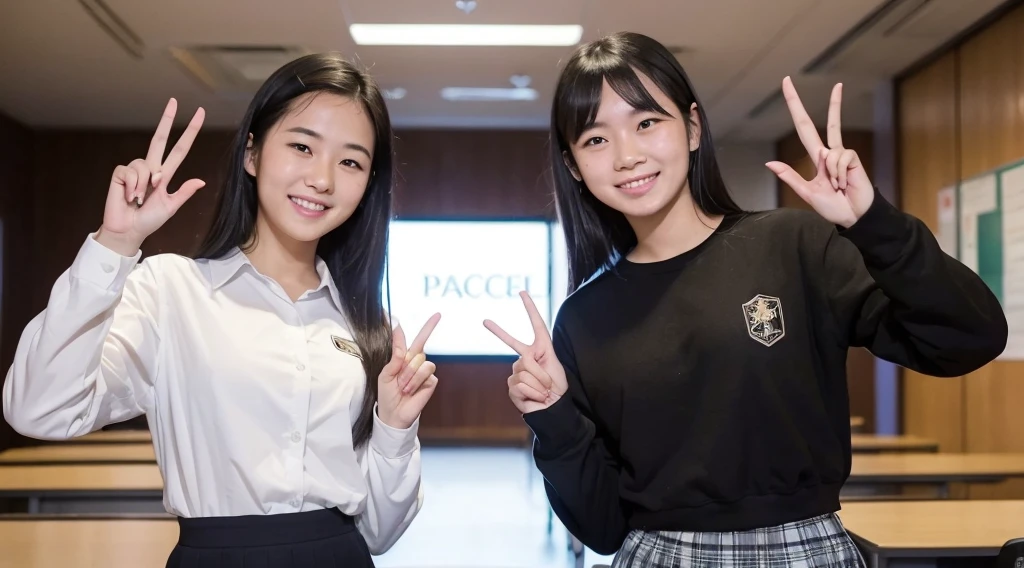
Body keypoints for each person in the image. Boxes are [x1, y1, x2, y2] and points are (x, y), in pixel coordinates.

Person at [484, 32, 1008, 567]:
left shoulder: (793, 246)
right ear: (573, 165)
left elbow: (970, 339)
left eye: (646, 123)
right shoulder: (583, 318)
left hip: (806, 551)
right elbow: (603, 528)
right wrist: (552, 416)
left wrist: (874, 225)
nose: (628, 155)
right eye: (596, 139)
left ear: (691, 127)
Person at [3, 52, 441, 567]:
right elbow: (39, 410)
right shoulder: (171, 291)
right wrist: (114, 243)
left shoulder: (366, 326)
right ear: (252, 154)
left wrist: (393, 427)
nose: (323, 179)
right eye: (302, 146)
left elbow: (379, 533)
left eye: (350, 161)